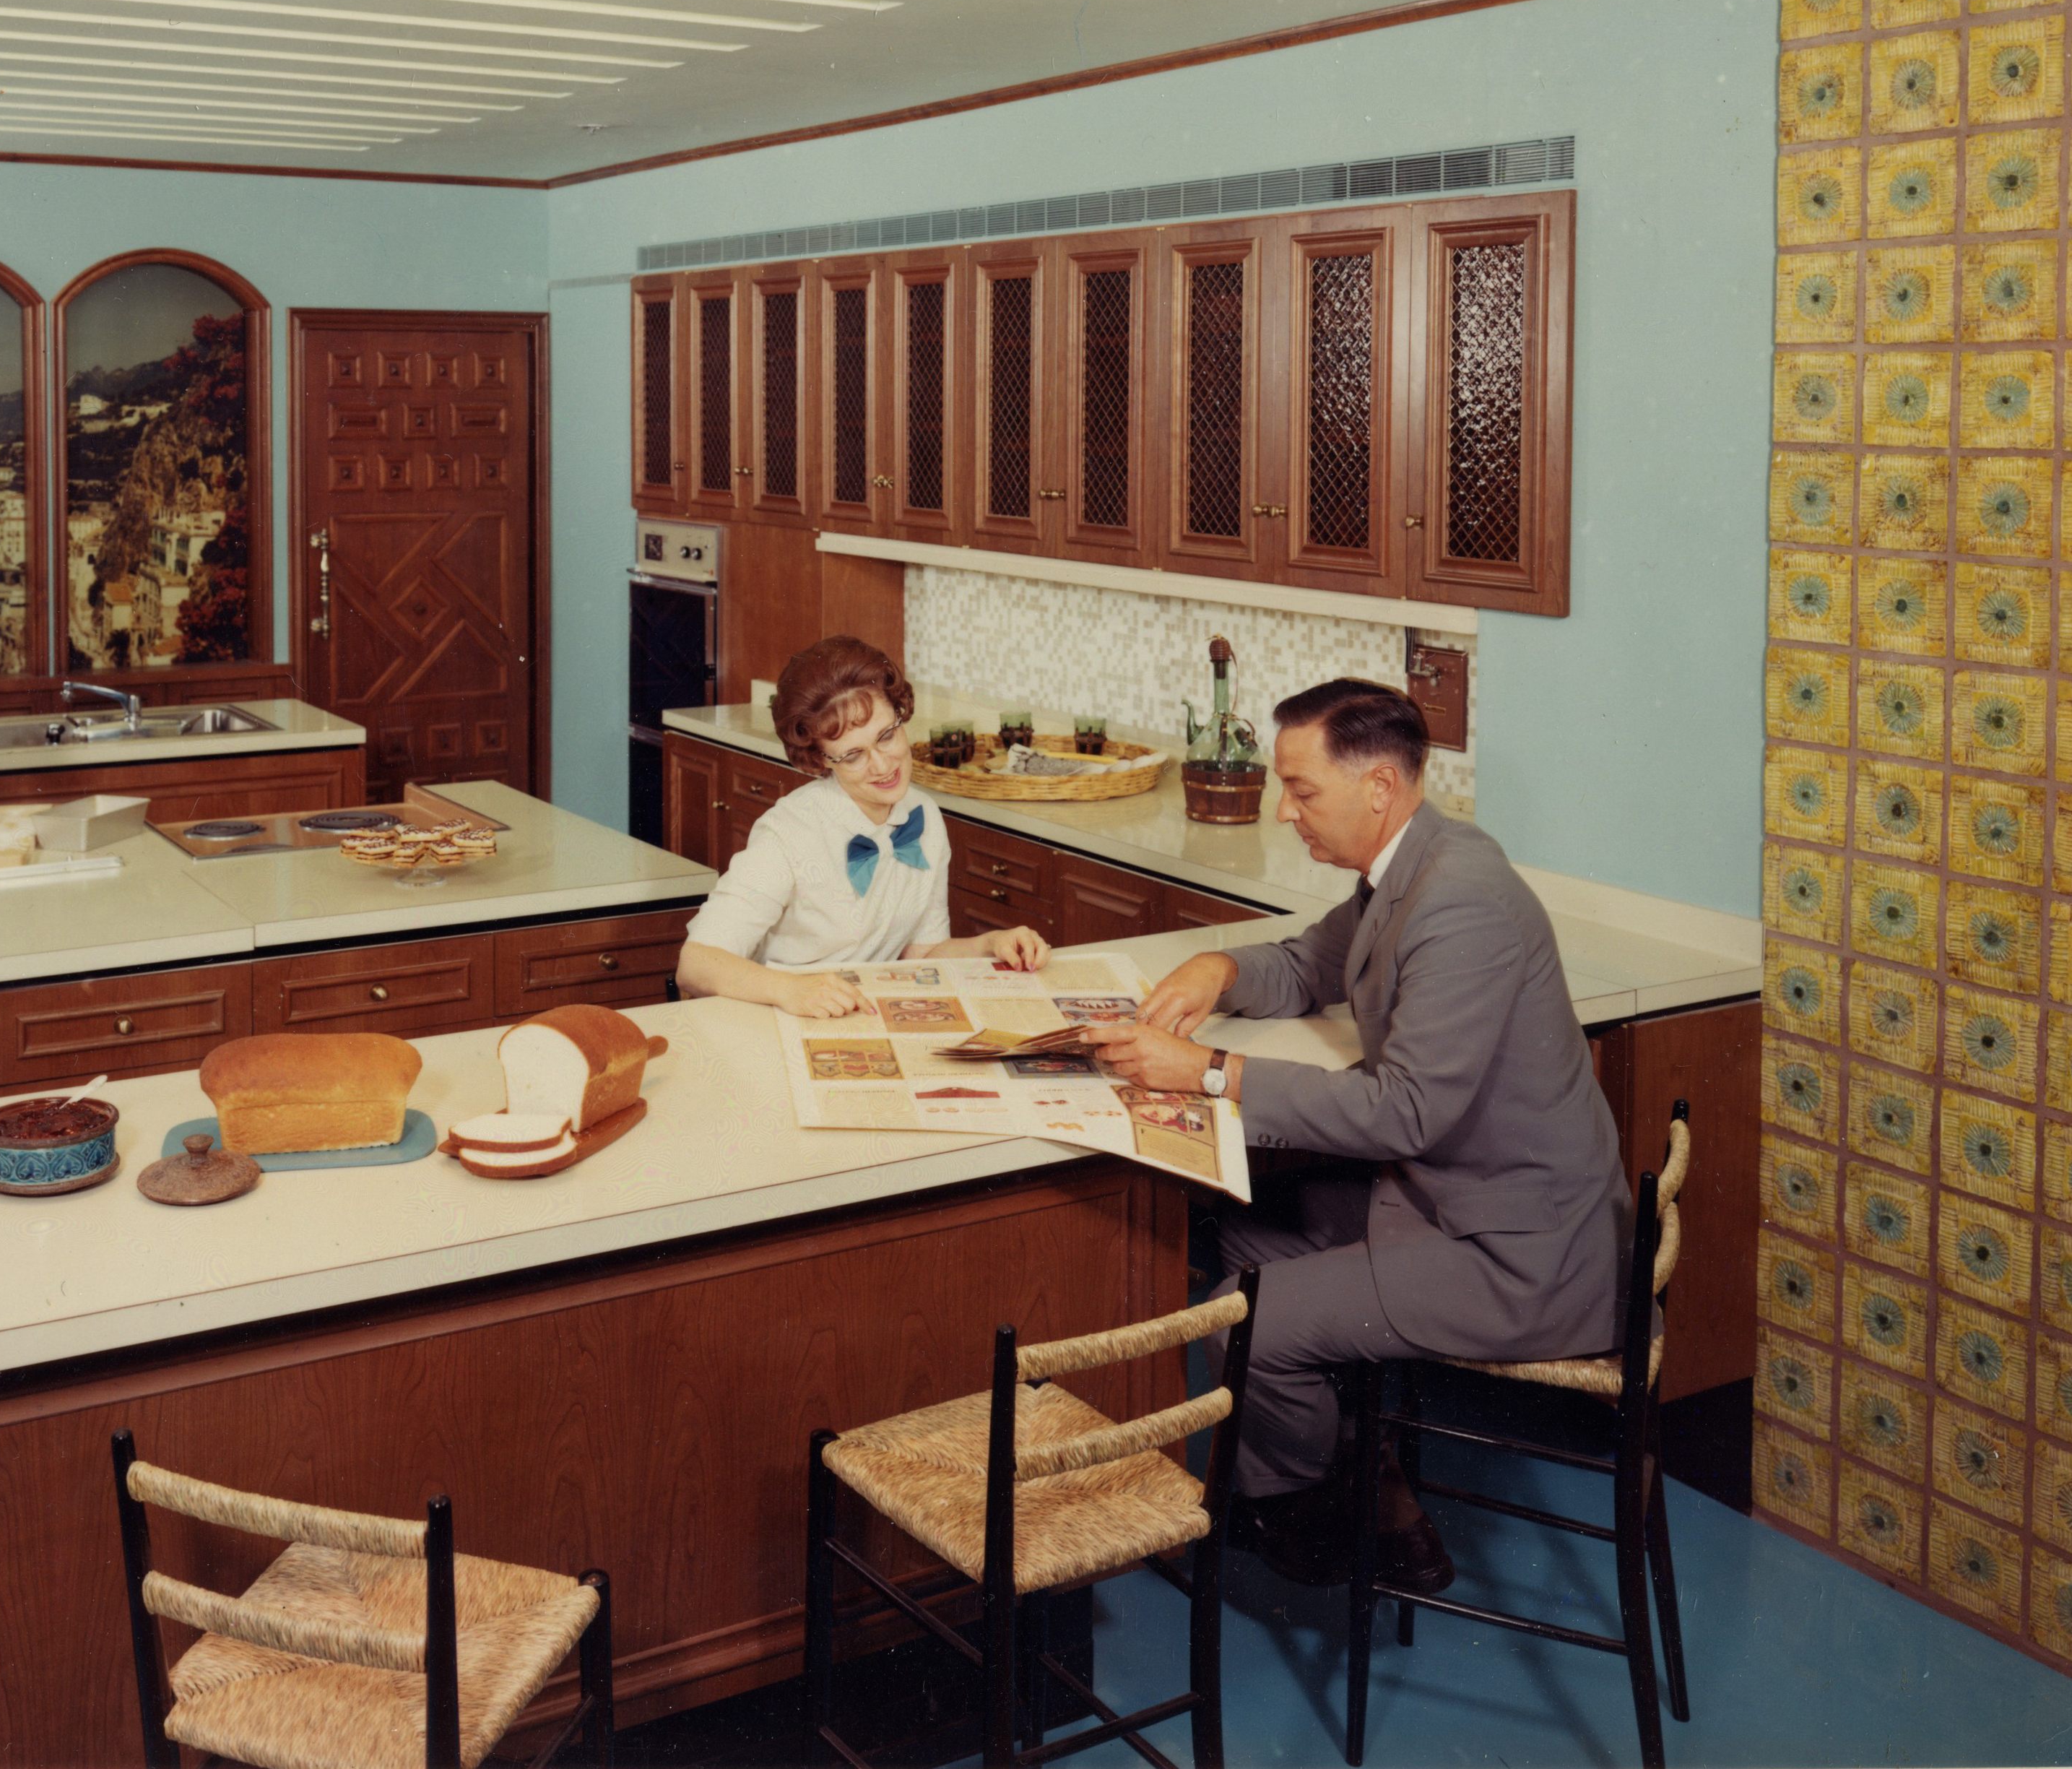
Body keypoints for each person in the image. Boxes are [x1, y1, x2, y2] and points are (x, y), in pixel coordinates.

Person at [1079, 677, 1628, 1592]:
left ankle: (1313, 1512)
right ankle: (1365, 1480)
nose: (1286, 813)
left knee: (1254, 1320)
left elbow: (1405, 1110)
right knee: (1225, 1233)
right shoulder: (1416, 865)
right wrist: (1216, 969)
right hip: (1459, 1203)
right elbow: (1309, 963)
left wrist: (1210, 1072)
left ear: (1378, 787)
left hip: (1521, 1251)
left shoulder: (1459, 900)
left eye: (1302, 791)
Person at [675, 637, 1049, 1016]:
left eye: (886, 736)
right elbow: (696, 964)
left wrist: (989, 945)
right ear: (821, 760)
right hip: (780, 1015)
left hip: (862, 1017)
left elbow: (922, 954)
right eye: (853, 755)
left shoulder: (925, 816)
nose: (882, 765)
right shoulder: (789, 831)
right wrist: (791, 990)